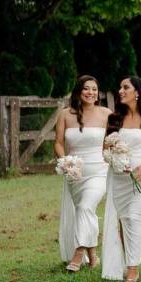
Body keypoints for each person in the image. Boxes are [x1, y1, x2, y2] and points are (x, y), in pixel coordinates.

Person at [102, 76, 141, 282]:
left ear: (137, 92)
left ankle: (133, 270)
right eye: (120, 87)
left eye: (125, 87)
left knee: (134, 217)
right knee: (123, 220)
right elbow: (105, 150)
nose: (120, 91)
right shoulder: (113, 118)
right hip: (119, 177)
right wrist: (114, 157)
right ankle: (127, 262)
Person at [53, 75, 110, 271]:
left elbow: (113, 142)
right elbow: (58, 143)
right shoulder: (65, 114)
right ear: (78, 91)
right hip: (75, 174)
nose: (90, 92)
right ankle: (92, 255)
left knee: (86, 207)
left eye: (94, 89)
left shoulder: (106, 114)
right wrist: (65, 162)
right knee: (85, 210)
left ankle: (78, 254)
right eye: (86, 88)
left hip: (99, 171)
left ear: (98, 93)